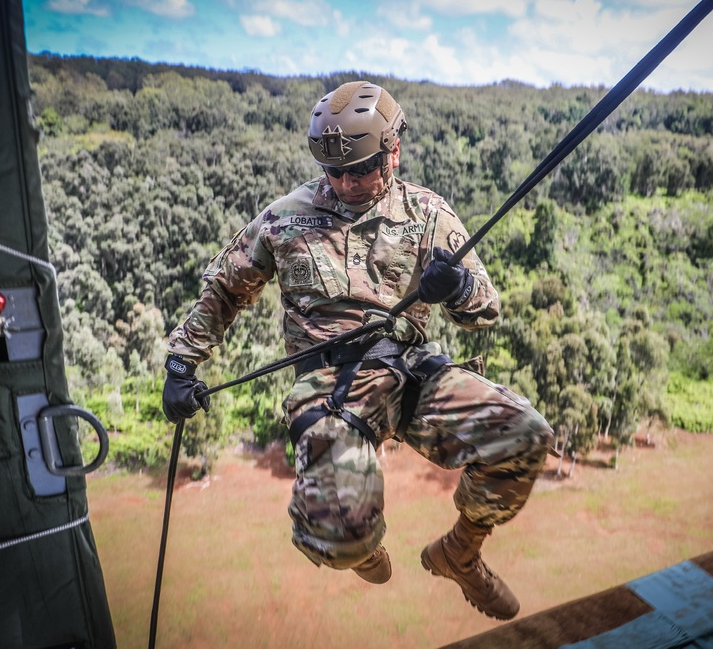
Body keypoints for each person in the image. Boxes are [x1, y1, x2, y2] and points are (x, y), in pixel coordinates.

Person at [162, 81, 554, 620]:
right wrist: (183, 361)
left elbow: (485, 309)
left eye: (359, 168)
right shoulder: (286, 217)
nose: (344, 182)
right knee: (341, 539)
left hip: (413, 373)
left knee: (525, 436)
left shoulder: (427, 214)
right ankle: (359, 544)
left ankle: (461, 553)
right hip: (329, 386)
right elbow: (227, 287)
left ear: (392, 151)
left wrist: (457, 287)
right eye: (332, 170)